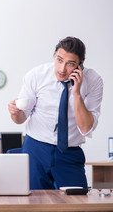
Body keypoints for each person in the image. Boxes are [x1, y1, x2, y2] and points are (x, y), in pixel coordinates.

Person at [8, 36, 103, 190]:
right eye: (59, 60)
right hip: (36, 148)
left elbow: (86, 128)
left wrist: (77, 93)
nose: (61, 69)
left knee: (78, 202)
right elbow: (20, 119)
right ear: (54, 56)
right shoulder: (37, 75)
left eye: (70, 64)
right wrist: (14, 113)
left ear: (81, 65)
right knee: (33, 202)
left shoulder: (93, 81)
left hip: (69, 152)